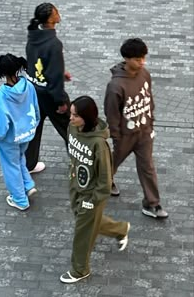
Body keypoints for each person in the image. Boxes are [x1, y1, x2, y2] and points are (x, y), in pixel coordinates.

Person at [60, 96, 130, 284]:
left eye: (75, 115)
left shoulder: (99, 145)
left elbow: (105, 180)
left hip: (91, 195)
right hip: (75, 187)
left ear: (87, 118)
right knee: (88, 223)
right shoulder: (72, 129)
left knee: (82, 233)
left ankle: (79, 269)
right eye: (71, 113)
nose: (71, 118)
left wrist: (92, 201)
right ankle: (121, 229)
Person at [104, 38, 168, 219]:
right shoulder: (115, 86)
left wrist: (150, 123)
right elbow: (112, 113)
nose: (142, 62)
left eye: (143, 58)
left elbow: (149, 100)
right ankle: (104, 182)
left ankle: (151, 203)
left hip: (144, 132)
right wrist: (116, 137)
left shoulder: (145, 74)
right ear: (126, 58)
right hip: (124, 136)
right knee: (112, 163)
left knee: (148, 167)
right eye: (138, 59)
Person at [0, 54, 40, 210]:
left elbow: (0, 128)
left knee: (10, 166)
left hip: (10, 139)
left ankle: (20, 199)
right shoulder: (29, 86)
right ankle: (27, 184)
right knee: (20, 159)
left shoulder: (3, 96)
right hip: (26, 133)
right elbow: (36, 110)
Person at [25, 2, 71, 174]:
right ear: (51, 19)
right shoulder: (54, 43)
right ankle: (78, 161)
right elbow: (53, 77)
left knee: (35, 128)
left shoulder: (34, 36)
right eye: (56, 12)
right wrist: (60, 101)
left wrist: (59, 71)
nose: (59, 13)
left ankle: (29, 163)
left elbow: (36, 60)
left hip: (34, 90)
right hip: (50, 94)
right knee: (70, 128)